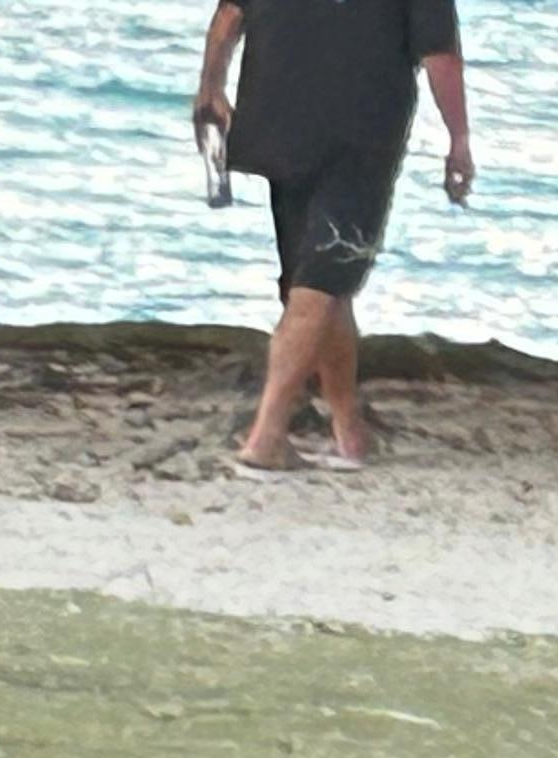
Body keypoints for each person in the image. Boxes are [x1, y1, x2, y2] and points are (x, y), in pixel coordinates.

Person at [192, 0, 474, 473]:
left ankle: (349, 435)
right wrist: (459, 140)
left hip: (277, 125)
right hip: (358, 139)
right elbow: (439, 54)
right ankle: (265, 440)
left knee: (318, 281)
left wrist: (210, 88)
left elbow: (229, 16)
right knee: (320, 284)